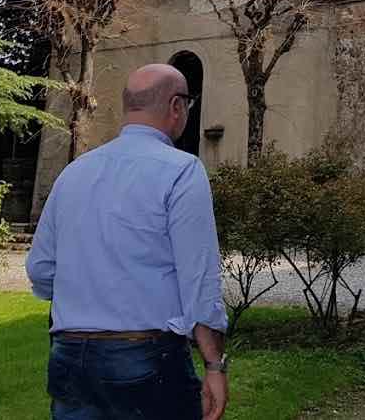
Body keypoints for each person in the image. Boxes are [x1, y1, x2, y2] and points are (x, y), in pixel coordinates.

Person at [27, 64, 229, 420]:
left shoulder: (74, 172)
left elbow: (41, 269)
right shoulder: (183, 170)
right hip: (146, 355)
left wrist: (84, 302)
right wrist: (214, 365)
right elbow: (199, 282)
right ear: (177, 106)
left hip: (70, 353)